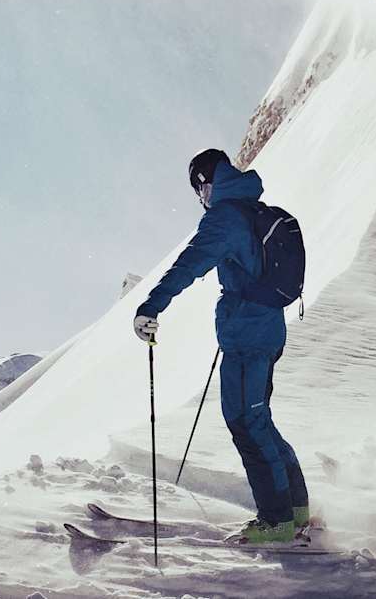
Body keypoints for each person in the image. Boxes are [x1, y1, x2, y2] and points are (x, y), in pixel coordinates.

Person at [132, 149, 308, 544]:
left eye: (199, 190)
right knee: (258, 421)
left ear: (205, 183)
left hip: (247, 336)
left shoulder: (225, 216)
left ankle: (277, 522)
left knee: (246, 423)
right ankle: (295, 511)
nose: (201, 199)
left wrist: (151, 305)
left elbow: (188, 265)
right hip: (263, 331)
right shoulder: (250, 209)